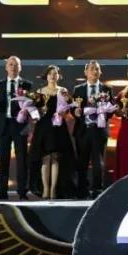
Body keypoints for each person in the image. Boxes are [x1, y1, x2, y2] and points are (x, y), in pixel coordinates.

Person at [0, 56, 34, 201]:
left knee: (22, 159)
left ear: (20, 67)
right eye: (10, 64)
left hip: (20, 125)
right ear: (6, 67)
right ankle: (2, 191)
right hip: (3, 125)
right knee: (3, 159)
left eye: (16, 65)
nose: (13, 67)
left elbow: (31, 104)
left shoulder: (27, 85)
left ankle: (22, 191)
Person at [31, 65, 74, 200]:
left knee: (55, 157)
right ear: (46, 76)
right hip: (43, 127)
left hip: (58, 126)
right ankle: (45, 188)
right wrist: (39, 111)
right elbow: (34, 110)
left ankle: (54, 189)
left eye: (55, 74)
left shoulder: (63, 91)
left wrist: (64, 110)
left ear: (58, 76)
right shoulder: (39, 91)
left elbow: (69, 109)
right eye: (50, 73)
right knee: (45, 158)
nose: (53, 76)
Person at [73, 60, 109, 198]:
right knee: (82, 162)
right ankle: (82, 190)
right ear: (86, 72)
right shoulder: (78, 89)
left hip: (99, 130)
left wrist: (104, 112)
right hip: (83, 130)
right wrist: (75, 112)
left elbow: (111, 109)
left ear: (100, 72)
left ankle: (97, 190)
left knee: (98, 162)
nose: (95, 71)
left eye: (97, 69)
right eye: (92, 68)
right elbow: (74, 108)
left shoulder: (106, 89)